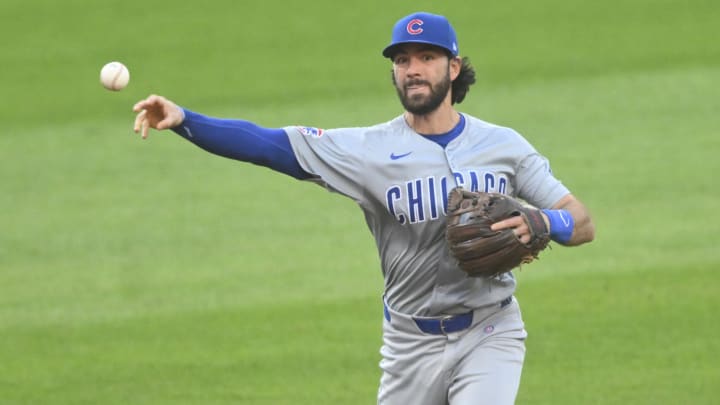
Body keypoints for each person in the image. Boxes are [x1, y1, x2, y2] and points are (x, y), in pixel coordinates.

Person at [131, 11, 595, 405]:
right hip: (410, 343)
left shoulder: (503, 145)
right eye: (402, 60)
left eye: (426, 58)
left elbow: (581, 221)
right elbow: (270, 146)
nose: (412, 69)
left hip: (491, 329)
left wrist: (544, 220)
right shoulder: (367, 150)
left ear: (453, 68)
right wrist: (186, 120)